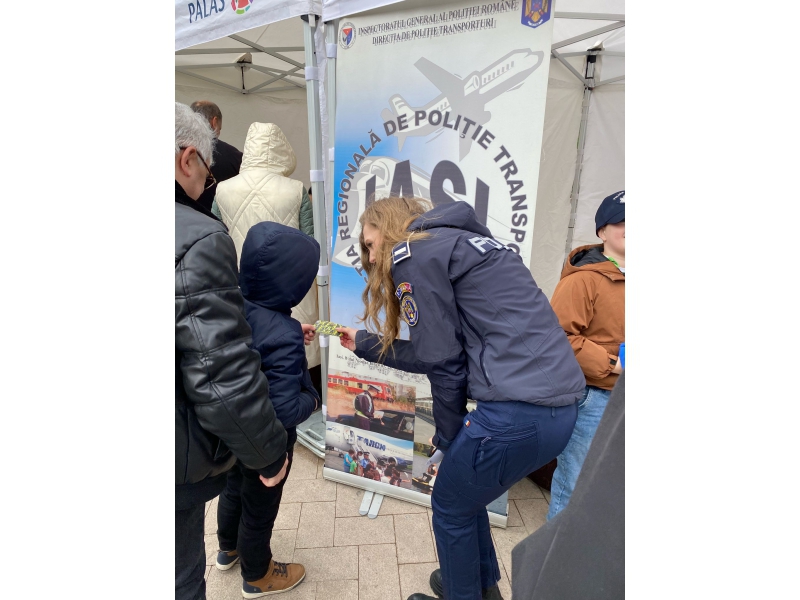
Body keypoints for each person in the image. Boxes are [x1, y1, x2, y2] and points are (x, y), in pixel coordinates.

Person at [336, 197, 586, 600]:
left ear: (390, 227)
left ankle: (463, 591)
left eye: (370, 243)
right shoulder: (464, 244)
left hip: (516, 414)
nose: (372, 256)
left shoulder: (413, 253)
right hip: (556, 410)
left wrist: (448, 436)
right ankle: (479, 588)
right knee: (467, 498)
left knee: (450, 505)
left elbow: (444, 364)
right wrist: (365, 342)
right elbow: (441, 352)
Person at [174, 102, 289, 600]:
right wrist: (268, 452)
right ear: (188, 159)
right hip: (173, 452)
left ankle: (229, 546)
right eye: (206, 170)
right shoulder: (197, 238)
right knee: (178, 578)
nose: (208, 181)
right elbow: (220, 374)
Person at [214, 221, 321, 597]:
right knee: (260, 505)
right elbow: (286, 409)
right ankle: (258, 574)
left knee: (233, 489)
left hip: (234, 430)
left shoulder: (231, 307)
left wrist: (290, 329)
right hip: (268, 441)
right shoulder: (283, 333)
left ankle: (227, 549)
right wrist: (314, 399)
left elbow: (262, 341)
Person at [213, 122, 321, 396]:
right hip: (291, 286)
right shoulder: (295, 189)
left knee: (251, 344)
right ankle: (300, 400)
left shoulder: (222, 189)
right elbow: (309, 240)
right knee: (294, 351)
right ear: (282, 150)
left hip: (243, 284)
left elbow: (217, 239)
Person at [546, 190, 625, 521]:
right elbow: (558, 337)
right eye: (623, 222)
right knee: (575, 482)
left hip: (623, 395)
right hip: (595, 397)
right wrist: (613, 364)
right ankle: (556, 550)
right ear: (602, 231)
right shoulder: (584, 280)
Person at [512, 372, 624, 599]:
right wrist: (612, 364)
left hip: (611, 393)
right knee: (572, 489)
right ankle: (552, 577)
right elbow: (574, 349)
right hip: (596, 390)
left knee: (594, 494)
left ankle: (560, 571)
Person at [189, 100, 243, 212]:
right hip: (218, 219)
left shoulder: (178, 151)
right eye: (220, 128)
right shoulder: (235, 156)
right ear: (214, 122)